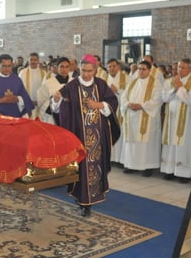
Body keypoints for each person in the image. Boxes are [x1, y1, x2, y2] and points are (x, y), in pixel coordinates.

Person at [51, 54, 120, 217]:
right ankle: (84, 202)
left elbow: (113, 102)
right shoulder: (72, 86)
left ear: (95, 70)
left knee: (96, 165)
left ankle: (93, 197)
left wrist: (100, 105)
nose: (86, 74)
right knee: (82, 169)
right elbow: (55, 108)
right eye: (83, 70)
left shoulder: (101, 85)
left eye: (89, 71)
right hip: (79, 136)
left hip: (98, 136)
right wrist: (56, 100)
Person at [160, 58, 191, 183]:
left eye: (183, 67)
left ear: (189, 69)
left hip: (185, 120)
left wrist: (180, 88)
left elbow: (189, 100)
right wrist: (175, 88)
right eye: (178, 67)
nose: (179, 70)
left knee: (184, 145)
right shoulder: (170, 81)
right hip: (171, 119)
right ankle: (169, 170)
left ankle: (184, 173)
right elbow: (164, 98)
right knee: (171, 144)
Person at [120, 60, 163, 177]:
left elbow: (157, 99)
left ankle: (147, 166)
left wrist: (142, 106)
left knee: (146, 142)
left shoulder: (156, 83)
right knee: (132, 141)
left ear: (149, 70)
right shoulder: (132, 82)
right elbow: (123, 97)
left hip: (146, 116)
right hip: (132, 116)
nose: (141, 71)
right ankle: (131, 164)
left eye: (144, 69)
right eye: (139, 69)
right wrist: (128, 104)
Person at [106, 58, 131, 166]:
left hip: (120, 110)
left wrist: (117, 91)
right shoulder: (103, 78)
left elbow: (129, 94)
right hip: (107, 110)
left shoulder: (126, 78)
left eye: (113, 66)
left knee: (119, 131)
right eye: (109, 66)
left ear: (118, 67)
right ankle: (110, 157)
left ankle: (119, 159)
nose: (111, 68)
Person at [37, 57, 71, 125]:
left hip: (70, 117)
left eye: (67, 67)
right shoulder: (48, 83)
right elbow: (41, 100)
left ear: (69, 68)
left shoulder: (73, 82)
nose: (64, 69)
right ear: (57, 68)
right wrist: (52, 106)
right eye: (62, 66)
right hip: (52, 118)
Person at [19, 52, 46, 119]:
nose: (33, 61)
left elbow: (45, 90)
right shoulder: (22, 73)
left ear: (38, 61)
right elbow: (19, 88)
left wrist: (39, 101)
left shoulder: (44, 73)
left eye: (35, 60)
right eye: (31, 59)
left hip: (39, 104)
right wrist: (28, 101)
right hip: (26, 103)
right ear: (28, 60)